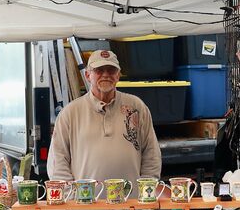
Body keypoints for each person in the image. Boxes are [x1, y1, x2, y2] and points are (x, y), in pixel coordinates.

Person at [47, 49, 162, 186]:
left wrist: (145, 191)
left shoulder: (136, 107)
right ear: (88, 75)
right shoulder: (70, 113)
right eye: (99, 70)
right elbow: (58, 159)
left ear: (118, 76)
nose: (106, 75)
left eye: (111, 70)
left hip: (130, 204)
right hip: (85, 204)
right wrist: (70, 197)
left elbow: (151, 153)